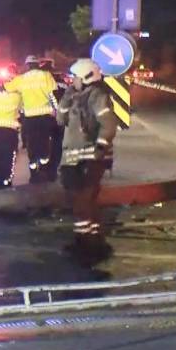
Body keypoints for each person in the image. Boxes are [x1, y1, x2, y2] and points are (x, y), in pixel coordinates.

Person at [57, 59, 117, 262]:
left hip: (89, 158)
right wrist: (65, 98)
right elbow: (60, 120)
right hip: (74, 158)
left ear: (86, 77)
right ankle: (90, 239)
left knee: (83, 202)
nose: (71, 80)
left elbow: (108, 124)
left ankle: (88, 244)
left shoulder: (97, 96)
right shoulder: (75, 96)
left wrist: (100, 148)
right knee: (81, 201)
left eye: (75, 76)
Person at [6, 55, 59, 183]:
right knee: (45, 145)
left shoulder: (21, 79)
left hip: (29, 119)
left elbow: (7, 88)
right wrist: (57, 111)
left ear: (27, 65)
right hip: (45, 117)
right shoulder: (46, 76)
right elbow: (53, 95)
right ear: (37, 64)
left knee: (32, 146)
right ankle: (45, 172)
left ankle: (34, 174)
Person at [41, 58, 68, 168]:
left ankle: (43, 167)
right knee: (57, 144)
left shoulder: (41, 82)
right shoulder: (62, 84)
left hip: (43, 117)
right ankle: (53, 168)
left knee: (43, 144)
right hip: (58, 118)